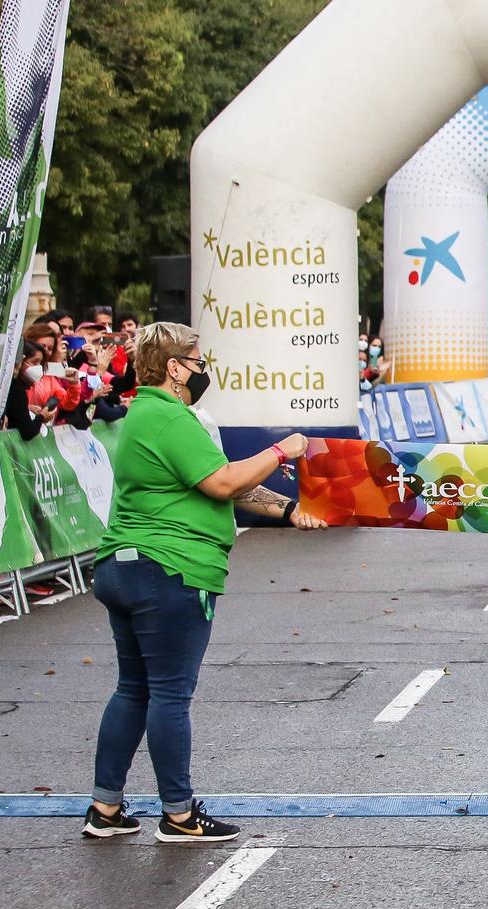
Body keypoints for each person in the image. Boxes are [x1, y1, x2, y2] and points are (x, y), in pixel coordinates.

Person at [81, 322, 327, 844]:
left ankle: (105, 807)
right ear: (173, 367)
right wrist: (283, 451)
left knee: (134, 689)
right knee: (170, 693)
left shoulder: (147, 416)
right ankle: (178, 815)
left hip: (125, 566)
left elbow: (220, 488)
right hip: (168, 570)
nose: (202, 370)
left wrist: (289, 510)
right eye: (197, 361)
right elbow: (224, 482)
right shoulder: (168, 418)